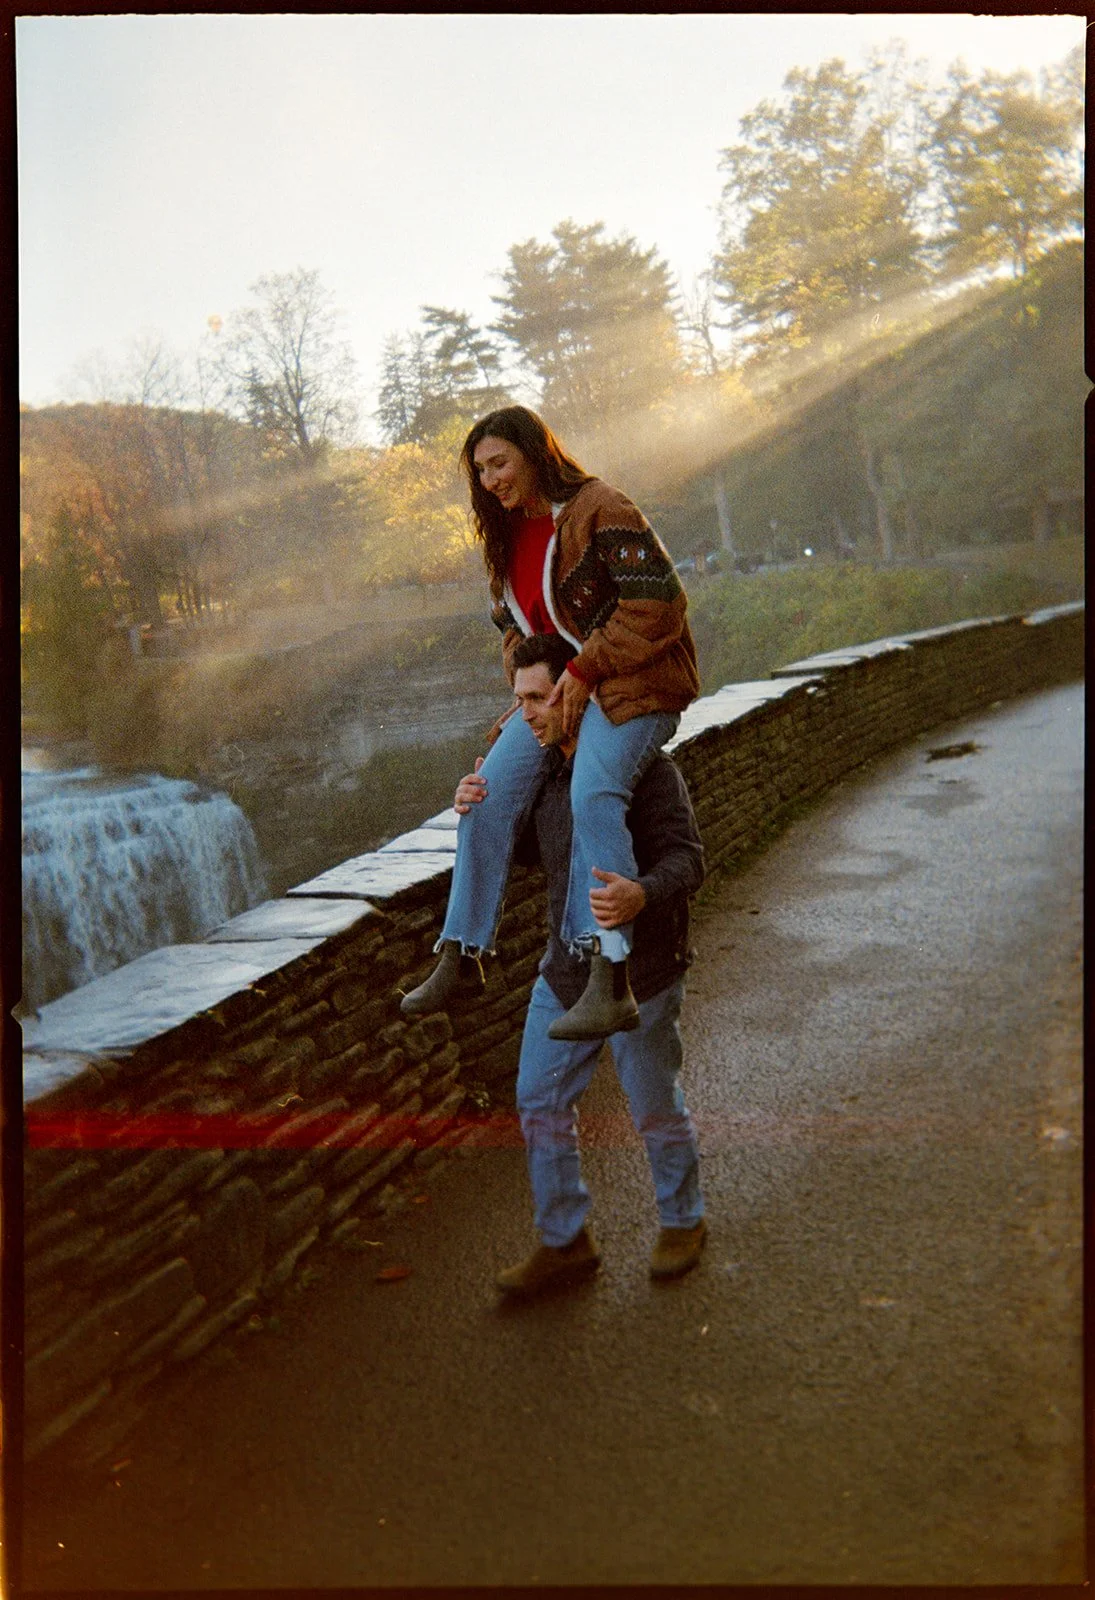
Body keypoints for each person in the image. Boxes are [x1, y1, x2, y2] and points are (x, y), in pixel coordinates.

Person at [401, 406, 700, 1041]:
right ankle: (463, 951)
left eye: (499, 463)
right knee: (482, 798)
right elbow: (512, 628)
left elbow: (659, 605)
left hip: (634, 687)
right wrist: (531, 685)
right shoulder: (506, 537)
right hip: (563, 691)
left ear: (536, 454)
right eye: (478, 470)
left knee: (594, 792)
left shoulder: (602, 508)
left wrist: (586, 670)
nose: (489, 480)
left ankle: (610, 973)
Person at [456, 633, 707, 1294]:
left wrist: (639, 893)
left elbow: (689, 862)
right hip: (565, 971)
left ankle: (683, 1220)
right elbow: (534, 858)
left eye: (538, 697)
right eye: (518, 700)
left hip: (640, 972)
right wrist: (474, 809)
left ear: (576, 692)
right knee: (538, 1098)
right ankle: (565, 1241)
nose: (527, 713)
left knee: (651, 1101)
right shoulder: (537, 775)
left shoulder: (643, 773)